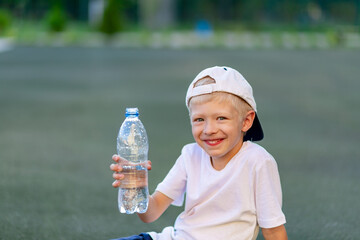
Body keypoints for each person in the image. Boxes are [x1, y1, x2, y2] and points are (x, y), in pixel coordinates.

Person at [110, 66, 287, 240]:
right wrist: (137, 187)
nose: (209, 129)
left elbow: (273, 231)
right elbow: (151, 213)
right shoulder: (190, 155)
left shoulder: (257, 162)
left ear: (246, 121)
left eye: (221, 118)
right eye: (199, 119)